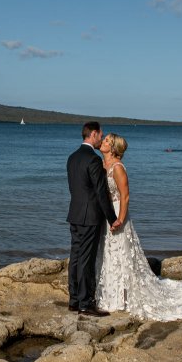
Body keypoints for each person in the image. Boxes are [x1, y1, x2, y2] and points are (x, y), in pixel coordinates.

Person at [95, 133, 182, 321]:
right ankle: (111, 293)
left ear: (112, 148)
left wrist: (119, 219)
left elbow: (125, 196)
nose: (102, 142)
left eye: (106, 141)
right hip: (105, 214)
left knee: (121, 253)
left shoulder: (118, 168)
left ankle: (124, 297)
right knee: (107, 253)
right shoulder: (101, 165)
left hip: (117, 213)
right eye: (103, 140)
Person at [66, 122, 120, 317]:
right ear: (94, 134)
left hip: (75, 214)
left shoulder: (72, 158)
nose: (101, 139)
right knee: (86, 261)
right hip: (90, 217)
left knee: (76, 257)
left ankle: (73, 300)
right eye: (101, 135)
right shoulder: (93, 160)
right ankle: (86, 304)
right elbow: (100, 193)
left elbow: (75, 189)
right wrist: (112, 218)